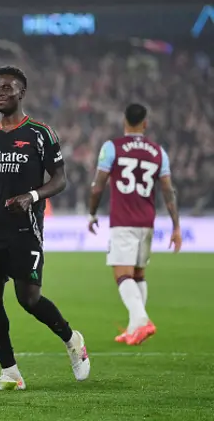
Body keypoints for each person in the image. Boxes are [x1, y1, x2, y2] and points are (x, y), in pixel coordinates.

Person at [0, 65, 90, 391]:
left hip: (25, 231)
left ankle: (72, 339)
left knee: (28, 299)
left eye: (6, 88)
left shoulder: (40, 134)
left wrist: (32, 195)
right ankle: (10, 372)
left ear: (21, 92)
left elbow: (59, 179)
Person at [88, 103, 181, 345]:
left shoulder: (112, 148)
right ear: (145, 123)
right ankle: (133, 328)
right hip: (147, 221)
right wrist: (176, 226)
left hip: (123, 220)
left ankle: (142, 320)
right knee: (138, 273)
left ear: (124, 122)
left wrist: (91, 213)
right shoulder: (158, 151)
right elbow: (168, 191)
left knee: (122, 274)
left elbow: (98, 185)